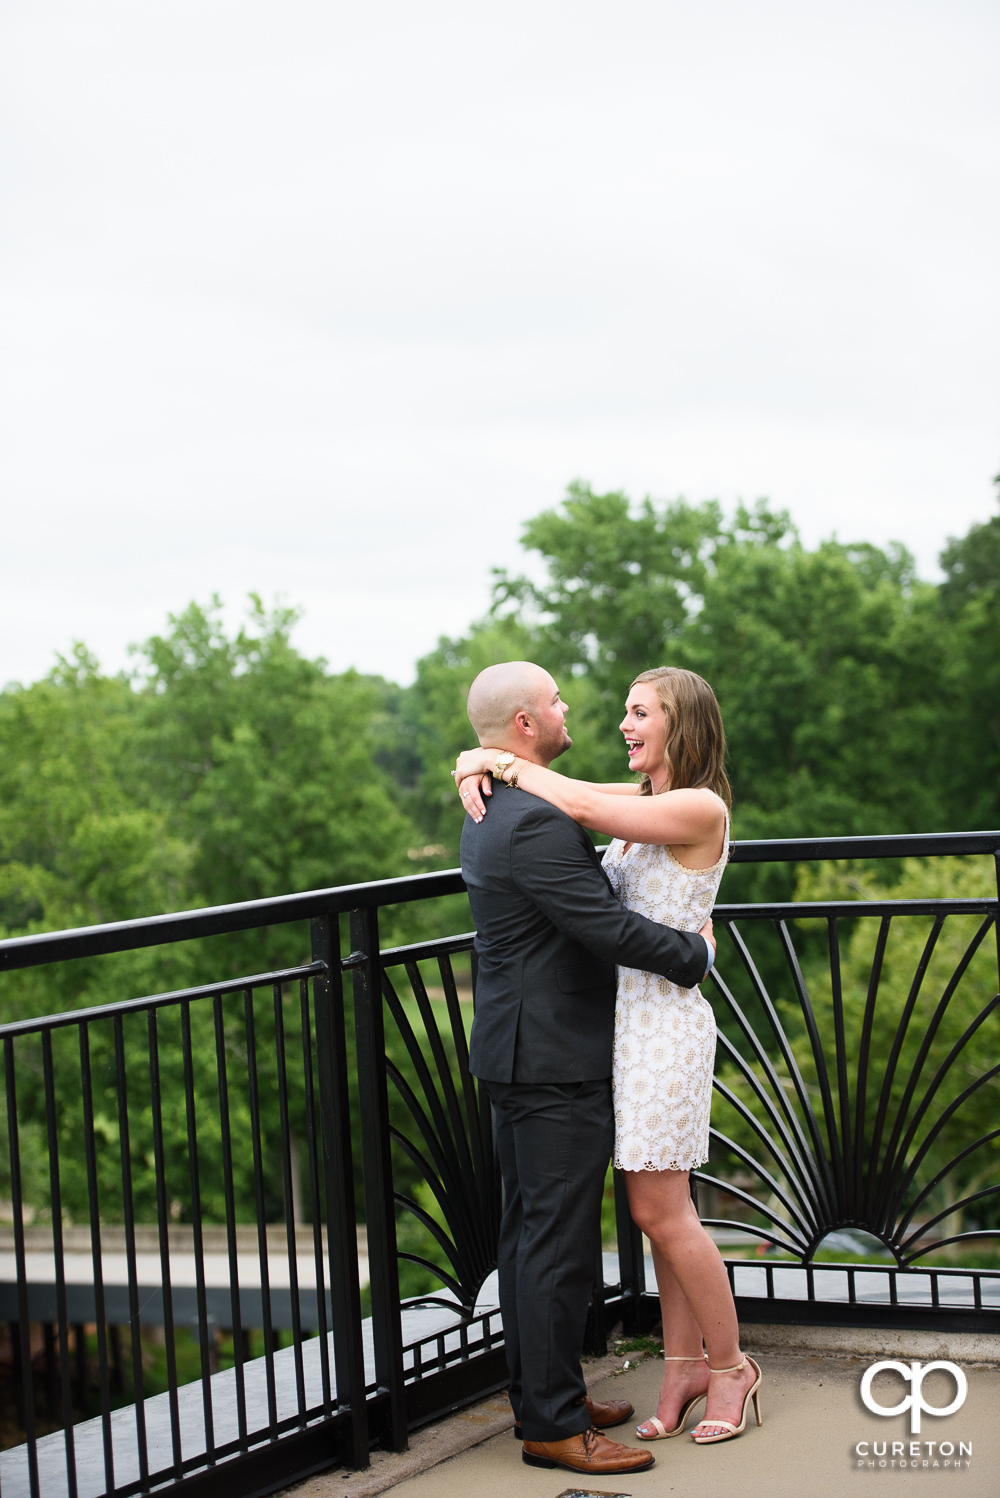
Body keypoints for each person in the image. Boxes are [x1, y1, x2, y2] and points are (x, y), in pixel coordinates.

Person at [456, 665, 763, 1447]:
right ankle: (683, 1364)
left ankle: (730, 1368)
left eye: (639, 713)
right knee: (658, 1215)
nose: (621, 723)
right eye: (621, 710)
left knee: (661, 1212)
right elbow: (584, 796)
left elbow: (581, 802)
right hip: (616, 1030)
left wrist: (501, 759)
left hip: (660, 1026)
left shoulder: (697, 805)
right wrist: (480, 758)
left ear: (679, 724)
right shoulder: (644, 804)